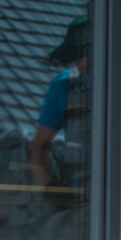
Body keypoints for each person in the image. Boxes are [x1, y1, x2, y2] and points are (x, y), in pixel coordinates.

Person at [30, 17, 90, 186]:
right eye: (73, 58)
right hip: (78, 190)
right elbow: (38, 147)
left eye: (79, 56)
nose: (74, 63)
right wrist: (49, 187)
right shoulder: (63, 86)